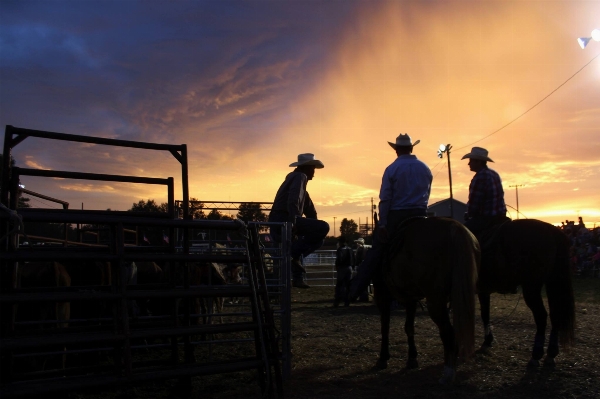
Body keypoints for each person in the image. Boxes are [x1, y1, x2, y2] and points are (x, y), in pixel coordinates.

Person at [350, 133, 432, 298]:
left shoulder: (392, 169)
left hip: (398, 215)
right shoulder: (425, 168)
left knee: (377, 250)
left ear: (397, 150)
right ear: (411, 148)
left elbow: (386, 198)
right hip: (421, 213)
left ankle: (355, 290)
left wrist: (382, 224)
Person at [268, 153, 330, 288]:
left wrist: (309, 226)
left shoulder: (297, 182)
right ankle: (293, 258)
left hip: (279, 219)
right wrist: (295, 221)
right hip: (284, 219)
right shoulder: (300, 178)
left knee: (307, 241)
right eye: (313, 168)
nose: (314, 172)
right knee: (323, 228)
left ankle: (295, 267)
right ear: (307, 168)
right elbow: (293, 200)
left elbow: (310, 211)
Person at [460, 147, 508, 239]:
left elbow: (474, 204)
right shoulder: (494, 174)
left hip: (486, 218)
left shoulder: (480, 177)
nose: (469, 163)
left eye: (471, 160)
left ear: (478, 162)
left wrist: (468, 214)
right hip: (501, 216)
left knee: (462, 235)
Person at [334, 236, 354, 307]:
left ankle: (337, 301)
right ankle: (347, 302)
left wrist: (337, 266)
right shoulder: (350, 249)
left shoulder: (340, 249)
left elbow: (339, 259)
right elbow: (353, 259)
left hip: (342, 268)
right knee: (348, 285)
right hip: (349, 267)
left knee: (339, 285)